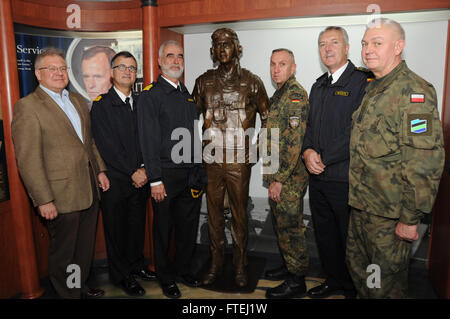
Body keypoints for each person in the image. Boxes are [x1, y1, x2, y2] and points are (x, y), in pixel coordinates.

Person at [347, 18, 445, 298]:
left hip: (390, 218)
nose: (368, 49)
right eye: (365, 44)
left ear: (399, 46)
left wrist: (410, 218)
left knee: (383, 287)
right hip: (362, 209)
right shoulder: (373, 88)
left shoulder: (414, 92)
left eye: (377, 43)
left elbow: (423, 160)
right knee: (361, 275)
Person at [11, 47, 110, 299]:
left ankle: (78, 287)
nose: (58, 73)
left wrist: (99, 171)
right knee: (64, 252)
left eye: (62, 68)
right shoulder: (28, 107)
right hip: (59, 195)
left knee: (83, 249)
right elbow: (28, 159)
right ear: (37, 74)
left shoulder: (77, 100)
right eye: (51, 68)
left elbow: (89, 143)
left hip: (88, 188)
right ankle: (68, 294)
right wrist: (43, 199)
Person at [192, 28, 269, 288]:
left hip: (238, 161)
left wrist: (256, 150)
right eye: (217, 45)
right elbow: (191, 119)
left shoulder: (253, 81)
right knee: (213, 215)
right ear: (212, 51)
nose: (222, 48)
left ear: (238, 48)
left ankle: (240, 265)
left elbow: (269, 120)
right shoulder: (203, 82)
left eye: (228, 44)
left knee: (239, 216)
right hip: (211, 160)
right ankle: (215, 264)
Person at [301, 26, 372, 299]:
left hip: (345, 178)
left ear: (346, 48)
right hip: (317, 178)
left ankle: (353, 289)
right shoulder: (318, 85)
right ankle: (333, 281)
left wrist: (324, 157)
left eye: (333, 43)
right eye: (322, 44)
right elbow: (309, 129)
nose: (327, 49)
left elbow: (356, 131)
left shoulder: (362, 83)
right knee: (325, 236)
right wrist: (307, 152)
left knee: (349, 240)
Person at [137, 40, 202, 299]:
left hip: (190, 174)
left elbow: (195, 136)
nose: (176, 61)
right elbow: (148, 140)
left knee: (188, 227)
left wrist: (199, 170)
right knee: (163, 229)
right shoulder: (150, 96)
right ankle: (166, 277)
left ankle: (184, 269)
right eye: (170, 56)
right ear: (159, 61)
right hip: (165, 175)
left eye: (180, 57)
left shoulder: (186, 93)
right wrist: (154, 180)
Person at [90, 51, 156, 297]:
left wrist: (146, 169)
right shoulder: (102, 105)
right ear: (111, 73)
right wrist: (133, 171)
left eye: (132, 68)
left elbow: (151, 138)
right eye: (122, 67)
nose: (128, 71)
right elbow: (107, 146)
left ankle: (136, 266)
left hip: (142, 179)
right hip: (117, 181)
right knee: (117, 231)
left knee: (137, 227)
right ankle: (121, 276)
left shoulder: (142, 102)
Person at [262, 48, 310, 299]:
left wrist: (278, 179)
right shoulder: (278, 95)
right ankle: (288, 266)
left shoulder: (294, 96)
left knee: (291, 227)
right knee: (280, 225)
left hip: (288, 178)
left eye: (282, 64)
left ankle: (297, 280)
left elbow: (293, 144)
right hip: (277, 175)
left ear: (293, 68)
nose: (276, 69)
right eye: (273, 64)